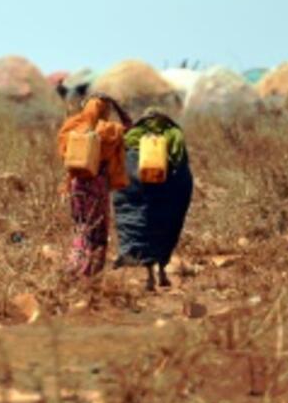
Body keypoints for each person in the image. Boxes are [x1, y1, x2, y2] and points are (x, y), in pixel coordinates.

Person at [113, 109, 193, 291]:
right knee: (164, 228)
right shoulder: (173, 133)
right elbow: (180, 163)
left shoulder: (133, 134)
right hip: (165, 190)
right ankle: (162, 272)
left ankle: (148, 276)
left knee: (140, 225)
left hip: (134, 188)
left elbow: (120, 162)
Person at [56, 94, 132, 279]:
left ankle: (75, 267)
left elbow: (63, 152)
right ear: (105, 111)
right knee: (97, 229)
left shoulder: (72, 126)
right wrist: (118, 106)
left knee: (81, 226)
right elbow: (130, 127)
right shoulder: (109, 130)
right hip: (98, 186)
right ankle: (90, 273)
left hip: (77, 185)